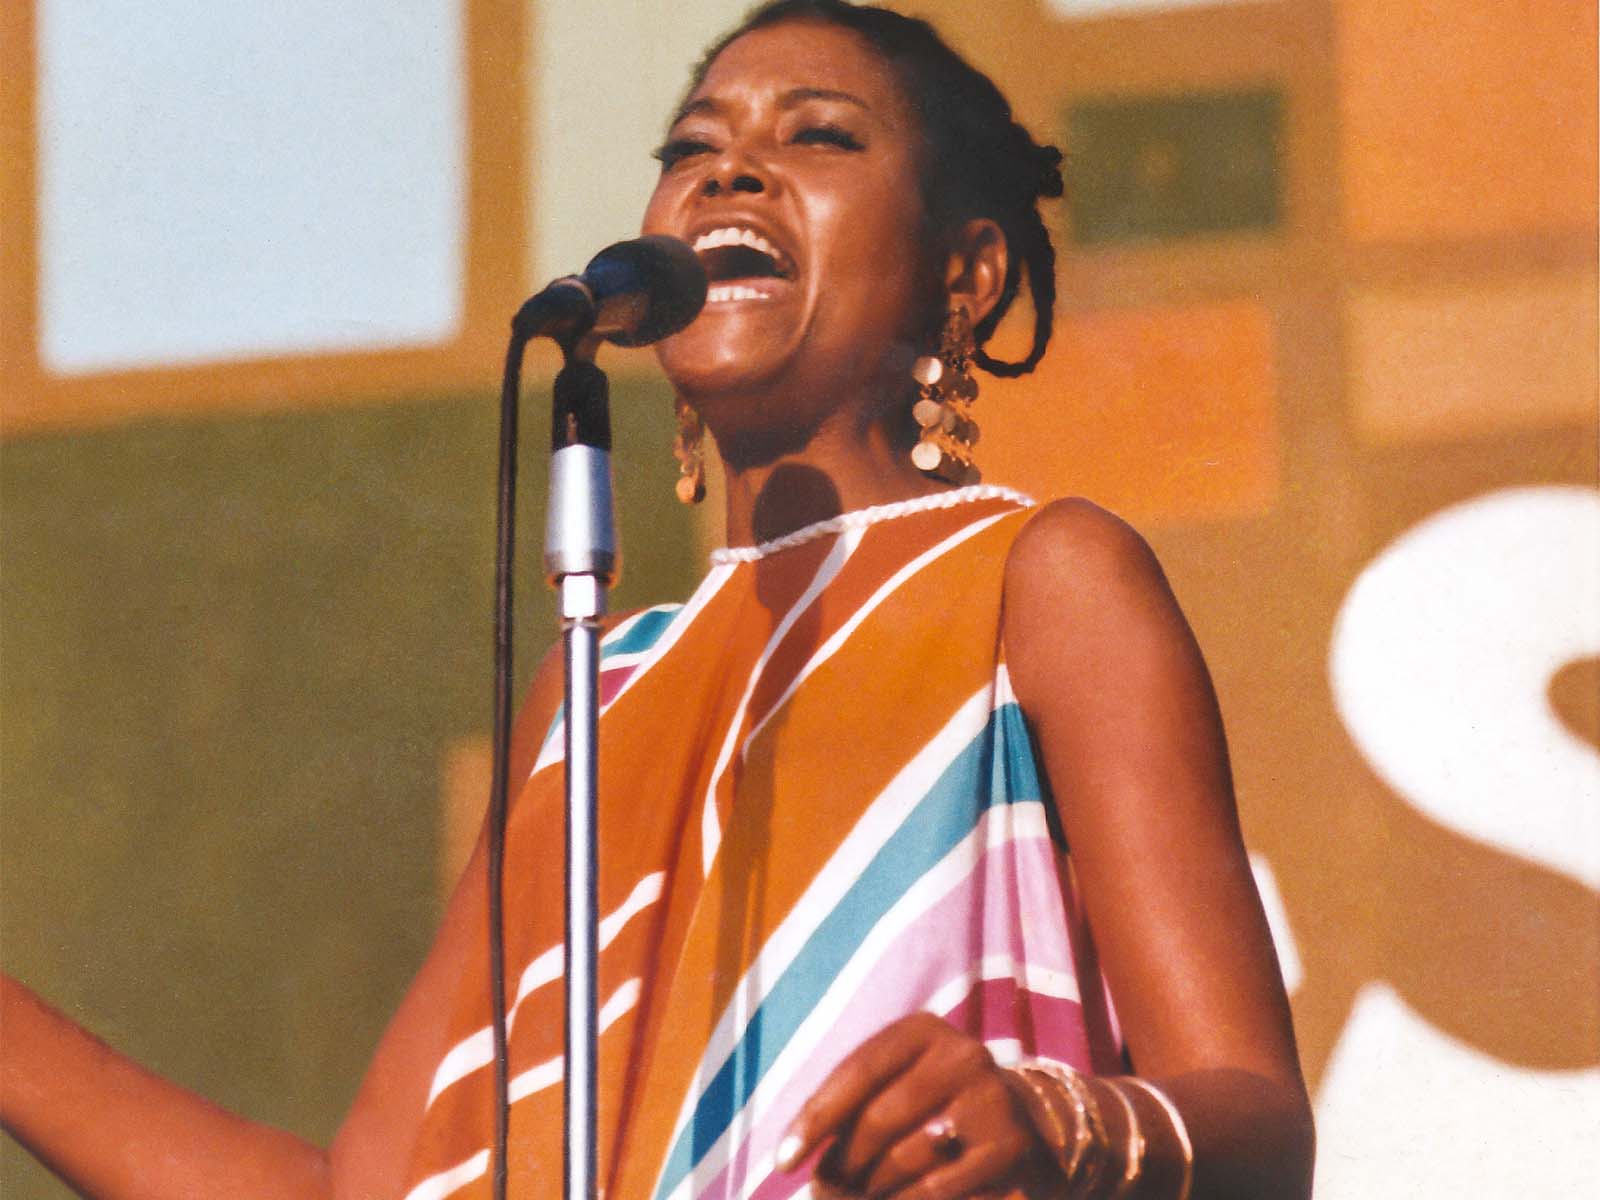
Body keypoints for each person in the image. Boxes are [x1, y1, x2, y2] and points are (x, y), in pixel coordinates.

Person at [1, 3, 1316, 1197]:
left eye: (820, 137)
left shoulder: (1037, 580)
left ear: (960, 277)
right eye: (694, 148)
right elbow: (359, 1193)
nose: (731, 170)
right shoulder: (588, 694)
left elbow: (1260, 1123)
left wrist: (1060, 1122)